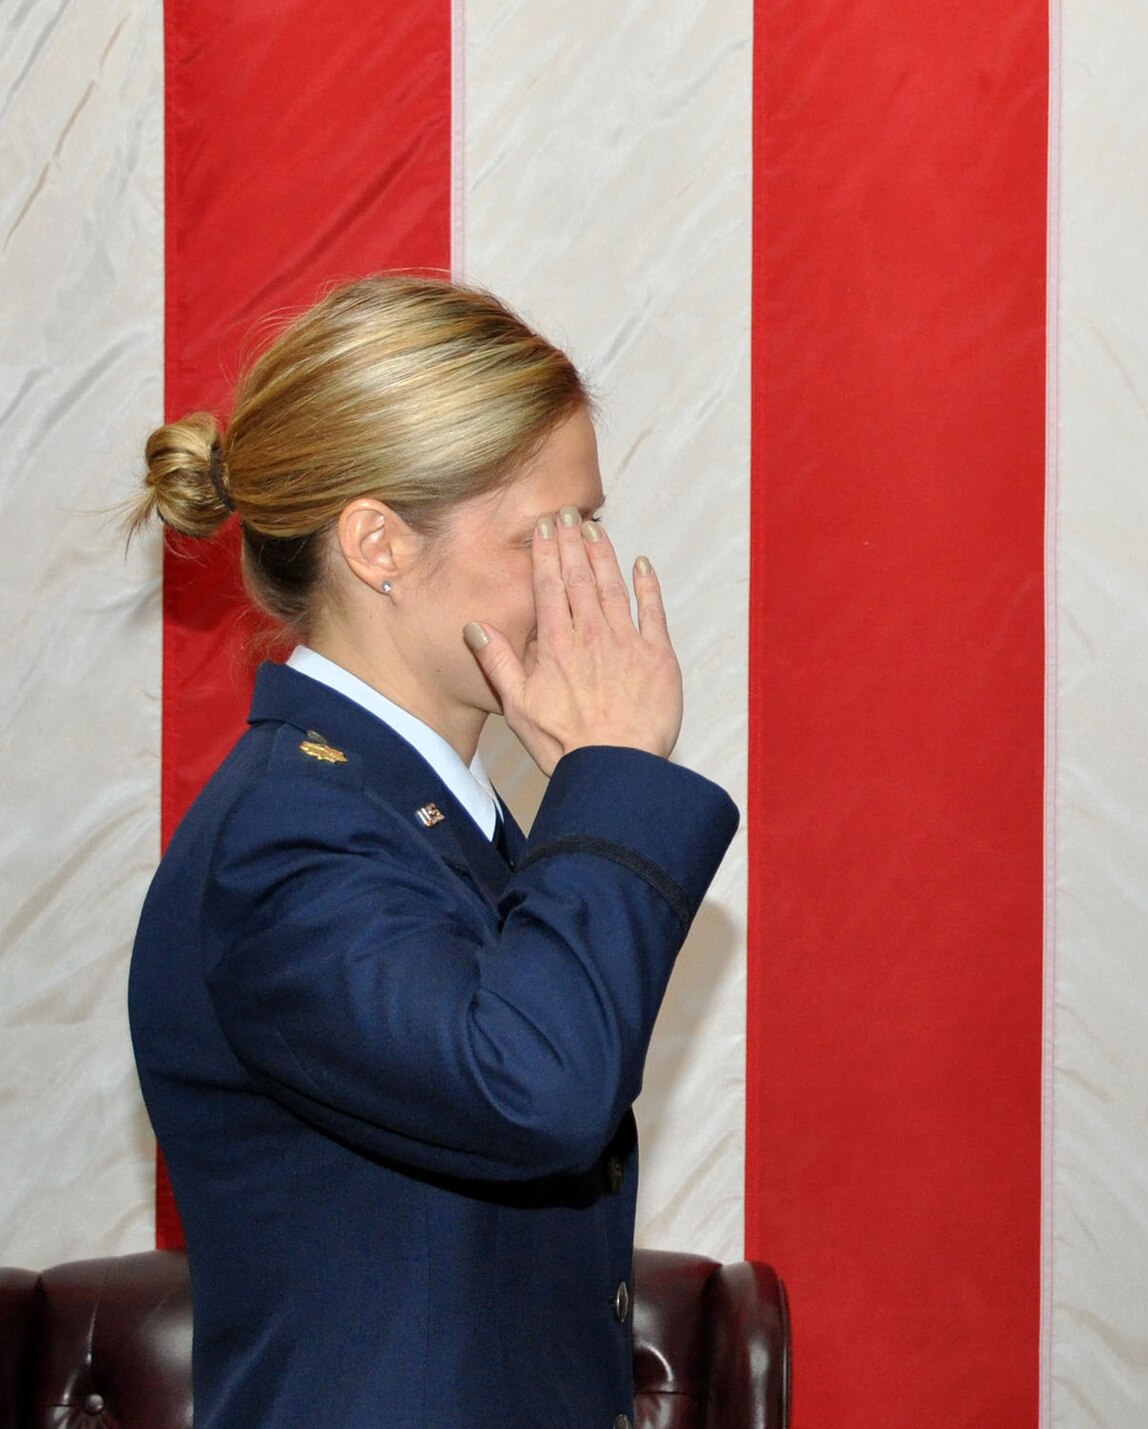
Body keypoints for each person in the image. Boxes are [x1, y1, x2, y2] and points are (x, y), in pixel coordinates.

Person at [126, 274, 739, 1429]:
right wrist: (613, 775)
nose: (585, 573)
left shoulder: (420, 812)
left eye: (591, 524)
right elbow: (535, 1088)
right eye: (547, 532)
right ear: (379, 544)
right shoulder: (288, 835)